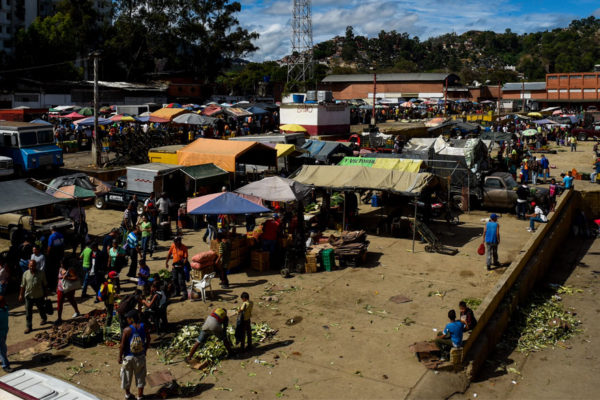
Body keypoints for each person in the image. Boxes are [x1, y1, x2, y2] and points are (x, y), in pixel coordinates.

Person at [119, 310, 150, 400]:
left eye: (128, 318)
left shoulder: (127, 330)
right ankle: (140, 396)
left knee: (126, 375)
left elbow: (122, 345)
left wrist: (119, 357)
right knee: (140, 375)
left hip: (128, 357)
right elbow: (148, 339)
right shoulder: (143, 327)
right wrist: (145, 350)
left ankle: (128, 395)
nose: (127, 320)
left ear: (131, 319)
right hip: (140, 356)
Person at [19, 260, 48, 333]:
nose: (32, 267)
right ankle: (29, 326)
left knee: (41, 308)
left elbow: (45, 284)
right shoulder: (25, 274)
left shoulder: (41, 273)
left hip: (39, 295)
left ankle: (44, 318)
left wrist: (46, 293)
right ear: (28, 266)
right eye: (30, 265)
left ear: (36, 266)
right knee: (28, 312)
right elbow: (22, 285)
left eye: (33, 266)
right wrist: (21, 295)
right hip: (28, 296)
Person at [165, 237, 188, 301]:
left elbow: (185, 258)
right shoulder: (173, 246)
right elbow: (169, 254)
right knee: (174, 279)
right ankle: (177, 292)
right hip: (174, 266)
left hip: (181, 267)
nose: (174, 243)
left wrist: (182, 264)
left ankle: (185, 294)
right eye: (174, 242)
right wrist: (166, 262)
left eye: (176, 242)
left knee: (181, 281)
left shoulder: (184, 247)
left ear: (179, 242)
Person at [0, 296, 11, 372]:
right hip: (1, 333)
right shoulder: (4, 309)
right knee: (3, 349)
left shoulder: (5, 309)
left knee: (2, 349)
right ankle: (5, 365)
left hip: (3, 332)